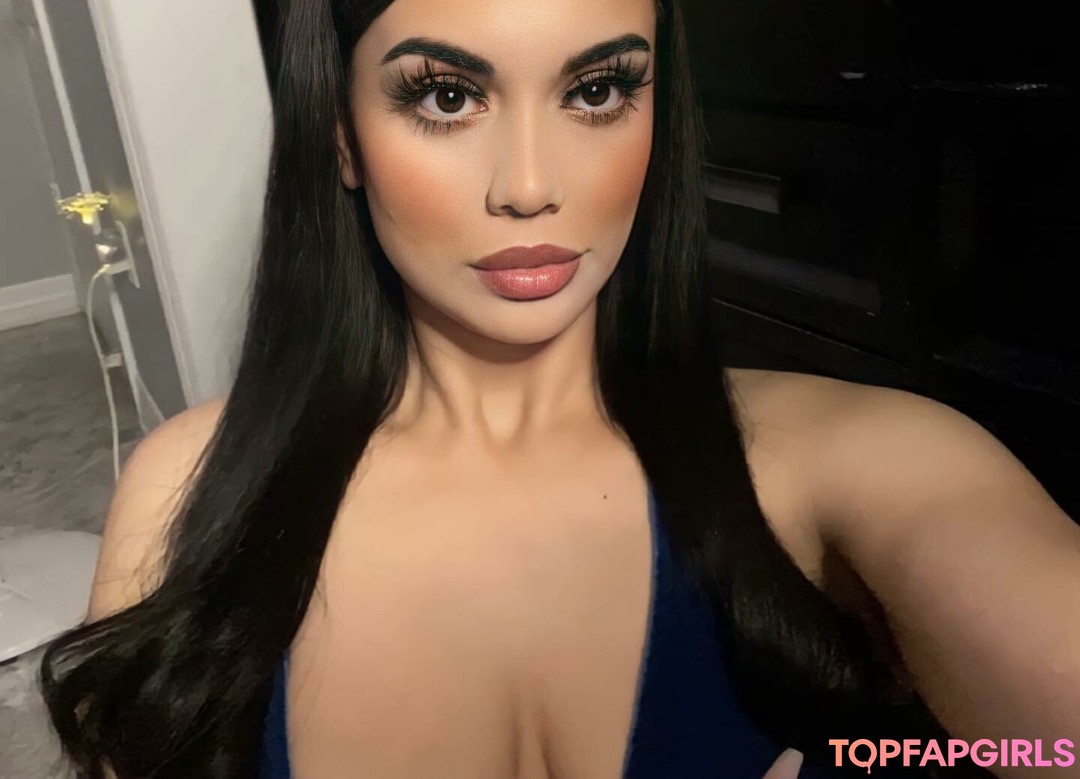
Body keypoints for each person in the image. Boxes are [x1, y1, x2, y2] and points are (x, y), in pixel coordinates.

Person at [40, 0, 1079, 776]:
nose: (532, 185)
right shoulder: (189, 486)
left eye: (596, 91)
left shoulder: (867, 459)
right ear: (343, 137)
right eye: (447, 96)